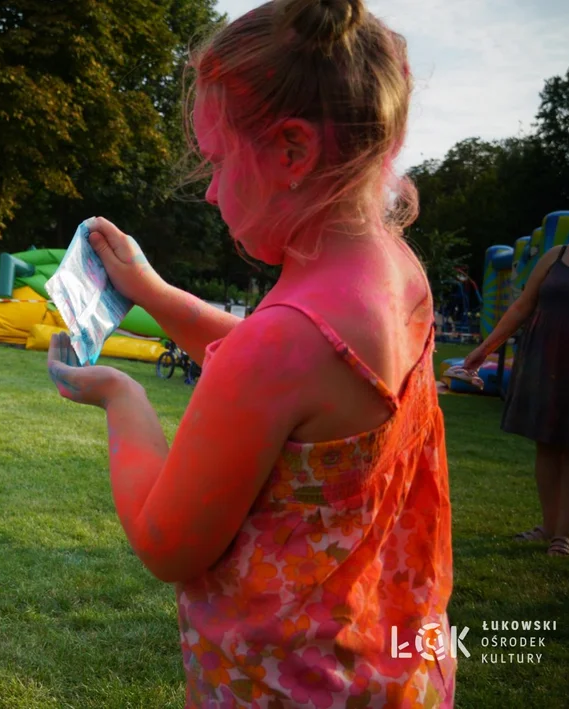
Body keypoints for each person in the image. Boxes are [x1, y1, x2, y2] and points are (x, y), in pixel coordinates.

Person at [47, 0, 455, 705]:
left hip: (290, 682)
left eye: (216, 160)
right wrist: (150, 290)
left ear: (293, 151)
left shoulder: (284, 340)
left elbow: (166, 541)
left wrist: (123, 396)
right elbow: (287, 370)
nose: (208, 189)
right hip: (393, 667)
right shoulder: (397, 274)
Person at [464, 184, 569, 558]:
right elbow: (521, 307)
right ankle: (547, 527)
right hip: (547, 362)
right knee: (546, 443)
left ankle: (565, 536)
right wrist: (485, 348)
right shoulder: (556, 255)